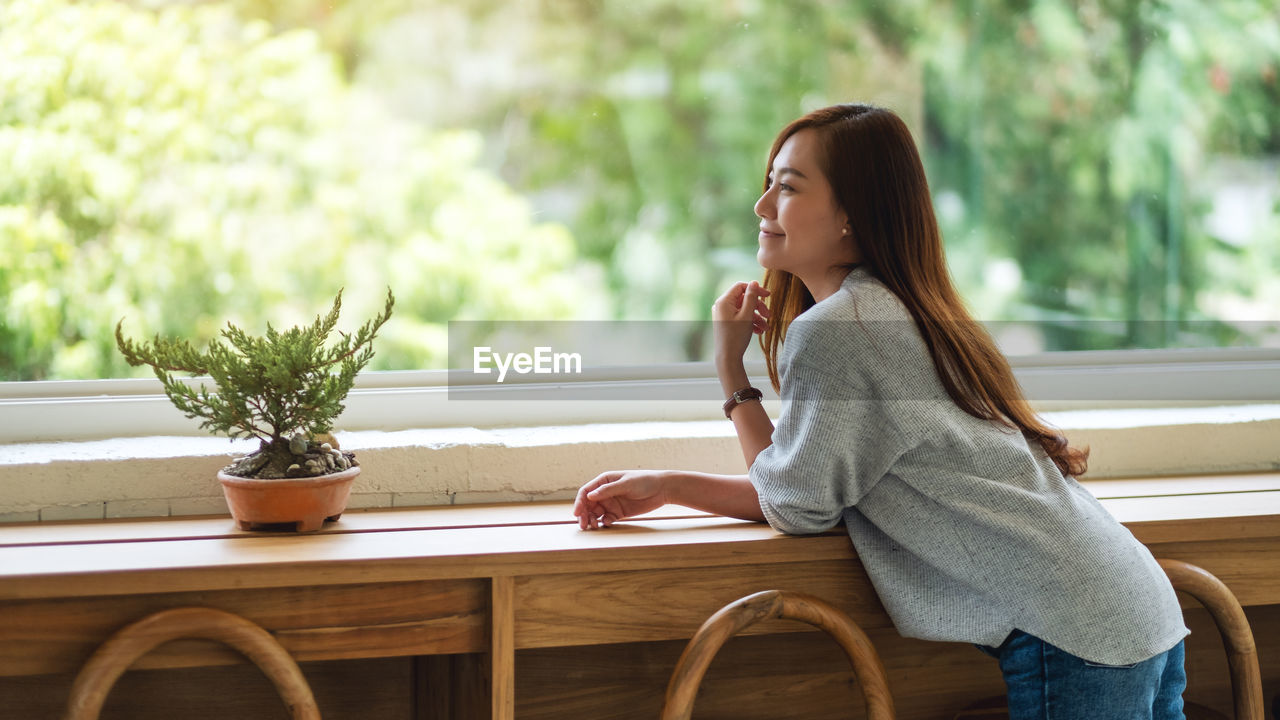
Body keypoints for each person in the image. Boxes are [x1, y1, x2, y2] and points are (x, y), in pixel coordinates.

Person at [573, 103, 1189, 720]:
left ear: (850, 215)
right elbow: (799, 480)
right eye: (768, 185)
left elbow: (793, 504)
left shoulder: (839, 330)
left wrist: (719, 393)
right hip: (1129, 603)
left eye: (786, 188)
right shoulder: (897, 310)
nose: (762, 207)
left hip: (1077, 631)